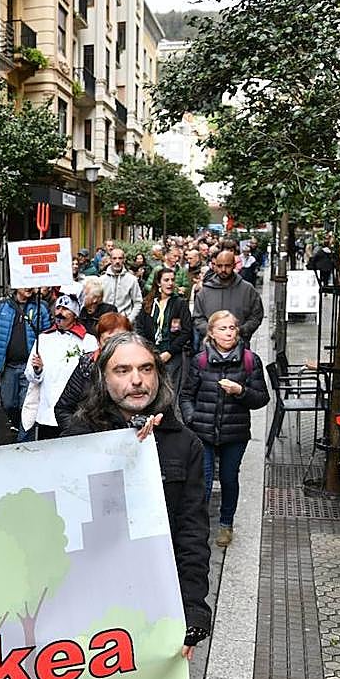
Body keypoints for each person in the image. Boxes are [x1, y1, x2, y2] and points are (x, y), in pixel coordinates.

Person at [61, 333, 211, 659]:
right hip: (91, 604)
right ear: (103, 377)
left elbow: (192, 534)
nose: (137, 380)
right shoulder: (79, 437)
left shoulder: (185, 445)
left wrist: (193, 610)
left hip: (155, 601)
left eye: (146, 369)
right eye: (123, 370)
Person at [180, 310, 269, 548]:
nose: (229, 332)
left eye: (232, 328)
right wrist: (192, 419)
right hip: (204, 431)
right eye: (223, 328)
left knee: (229, 479)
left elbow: (262, 398)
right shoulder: (200, 360)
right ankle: (199, 526)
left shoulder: (250, 360)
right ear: (211, 333)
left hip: (234, 433)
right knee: (204, 480)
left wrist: (240, 392)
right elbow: (186, 395)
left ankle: (226, 523)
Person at [23, 294, 98, 439]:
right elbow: (30, 376)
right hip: (47, 413)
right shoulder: (43, 339)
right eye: (58, 308)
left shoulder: (88, 341)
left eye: (65, 309)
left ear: (75, 314)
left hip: (74, 414)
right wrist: (37, 370)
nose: (60, 313)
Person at [0, 284, 51, 441]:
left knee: (26, 406)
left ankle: (23, 441)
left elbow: (48, 336)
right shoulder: (2, 307)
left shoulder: (41, 307)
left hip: (29, 367)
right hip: (9, 366)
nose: (28, 288)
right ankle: (17, 424)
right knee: (8, 403)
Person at [53, 312, 133, 429]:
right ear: (98, 342)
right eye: (109, 340)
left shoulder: (141, 367)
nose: (115, 346)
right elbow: (63, 409)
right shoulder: (87, 365)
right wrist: (81, 434)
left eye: (122, 340)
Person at [135, 267, 192, 392]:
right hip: (151, 353)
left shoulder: (180, 304)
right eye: (166, 280)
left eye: (172, 280)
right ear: (158, 282)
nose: (170, 283)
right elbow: (140, 327)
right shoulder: (148, 302)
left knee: (170, 391)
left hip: (172, 354)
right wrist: (148, 349)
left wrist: (170, 352)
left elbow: (187, 331)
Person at [192, 247, 264, 342]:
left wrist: (241, 330)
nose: (223, 270)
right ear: (215, 266)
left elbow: (256, 316)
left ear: (234, 265)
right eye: (219, 266)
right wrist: (212, 333)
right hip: (211, 346)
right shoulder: (205, 291)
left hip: (239, 345)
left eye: (227, 266)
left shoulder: (248, 289)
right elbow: (198, 317)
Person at [101, 248, 143, 320]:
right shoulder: (101, 280)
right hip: (106, 321)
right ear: (110, 260)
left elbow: (138, 302)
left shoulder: (132, 280)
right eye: (114, 258)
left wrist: (129, 320)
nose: (117, 261)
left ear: (124, 260)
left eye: (120, 258)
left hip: (124, 321)